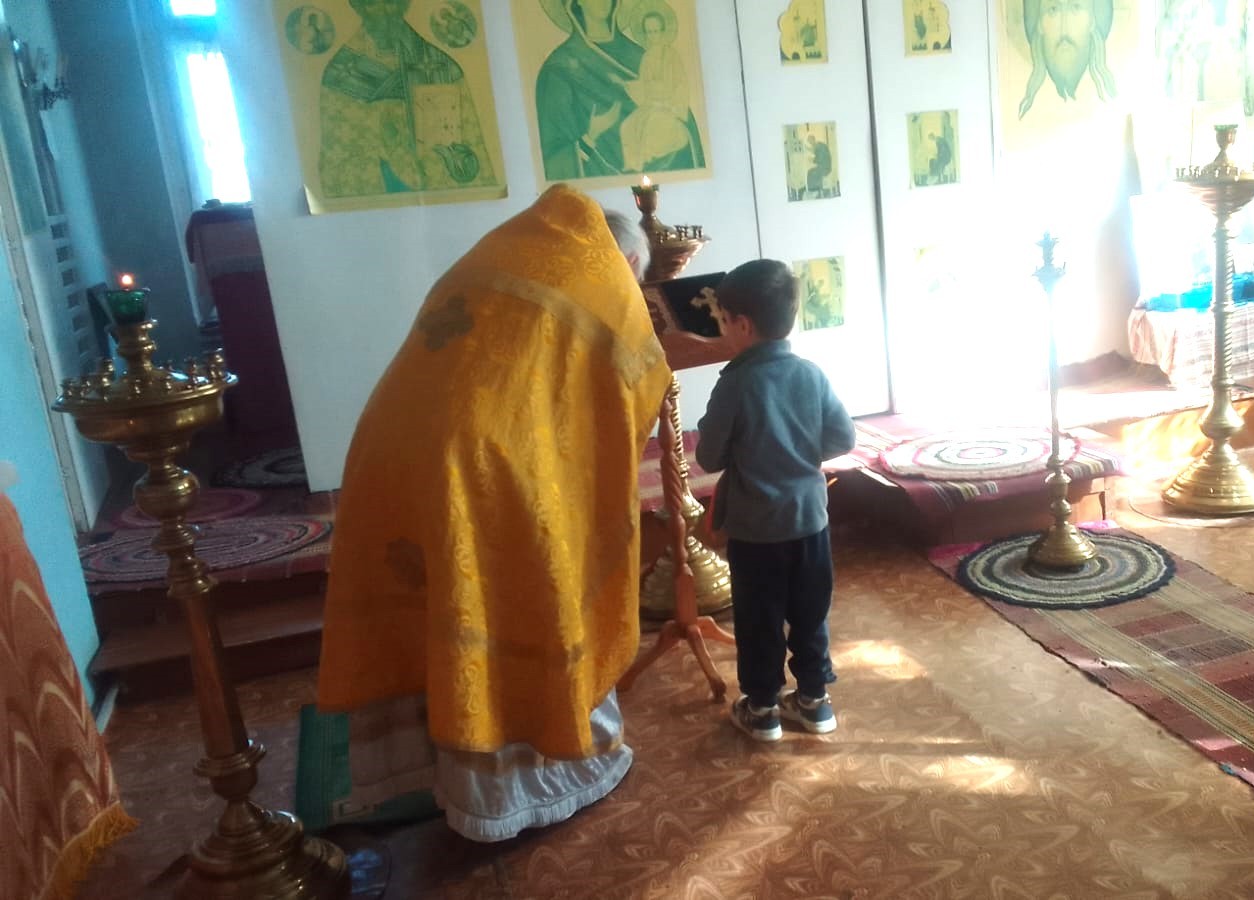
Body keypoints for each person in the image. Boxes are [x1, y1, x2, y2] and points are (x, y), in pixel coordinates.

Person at [315, 184, 671, 841]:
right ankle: (515, 791)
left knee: (439, 601)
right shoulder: (600, 278)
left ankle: (441, 772)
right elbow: (639, 381)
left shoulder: (510, 249)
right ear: (626, 262)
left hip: (391, 443)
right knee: (515, 598)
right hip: (484, 460)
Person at [694, 260, 857, 742]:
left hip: (755, 531)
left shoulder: (735, 383)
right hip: (810, 522)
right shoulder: (810, 374)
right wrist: (800, 455)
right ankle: (814, 702)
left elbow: (709, 456)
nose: (723, 330)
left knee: (759, 618)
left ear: (743, 325)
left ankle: (763, 708)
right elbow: (843, 438)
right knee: (810, 612)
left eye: (723, 321)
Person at [318, 0, 497, 197]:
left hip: (437, 190)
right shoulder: (340, 74)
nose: (384, 12)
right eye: (372, 3)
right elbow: (339, 153)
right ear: (358, 7)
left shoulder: (443, 66)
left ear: (404, 4)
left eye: (390, 2)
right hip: (381, 188)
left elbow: (469, 143)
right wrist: (384, 135)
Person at [536, 0, 705, 179]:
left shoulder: (642, 56)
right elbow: (553, 157)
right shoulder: (558, 69)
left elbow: (682, 112)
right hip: (597, 189)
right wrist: (591, 135)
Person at [618, 6, 694, 171]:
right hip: (650, 105)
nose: (653, 36)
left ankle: (645, 159)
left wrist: (672, 106)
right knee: (627, 125)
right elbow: (644, 85)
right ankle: (633, 164)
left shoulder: (672, 55)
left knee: (653, 126)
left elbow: (680, 84)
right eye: (649, 32)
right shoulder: (646, 57)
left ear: (663, 32)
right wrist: (627, 84)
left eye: (656, 31)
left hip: (669, 106)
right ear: (645, 34)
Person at [1018, 0, 1117, 118]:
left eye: (1076, 7)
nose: (1064, 29)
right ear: (1039, 24)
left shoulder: (1108, 108)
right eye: (1053, 10)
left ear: (1092, 20)